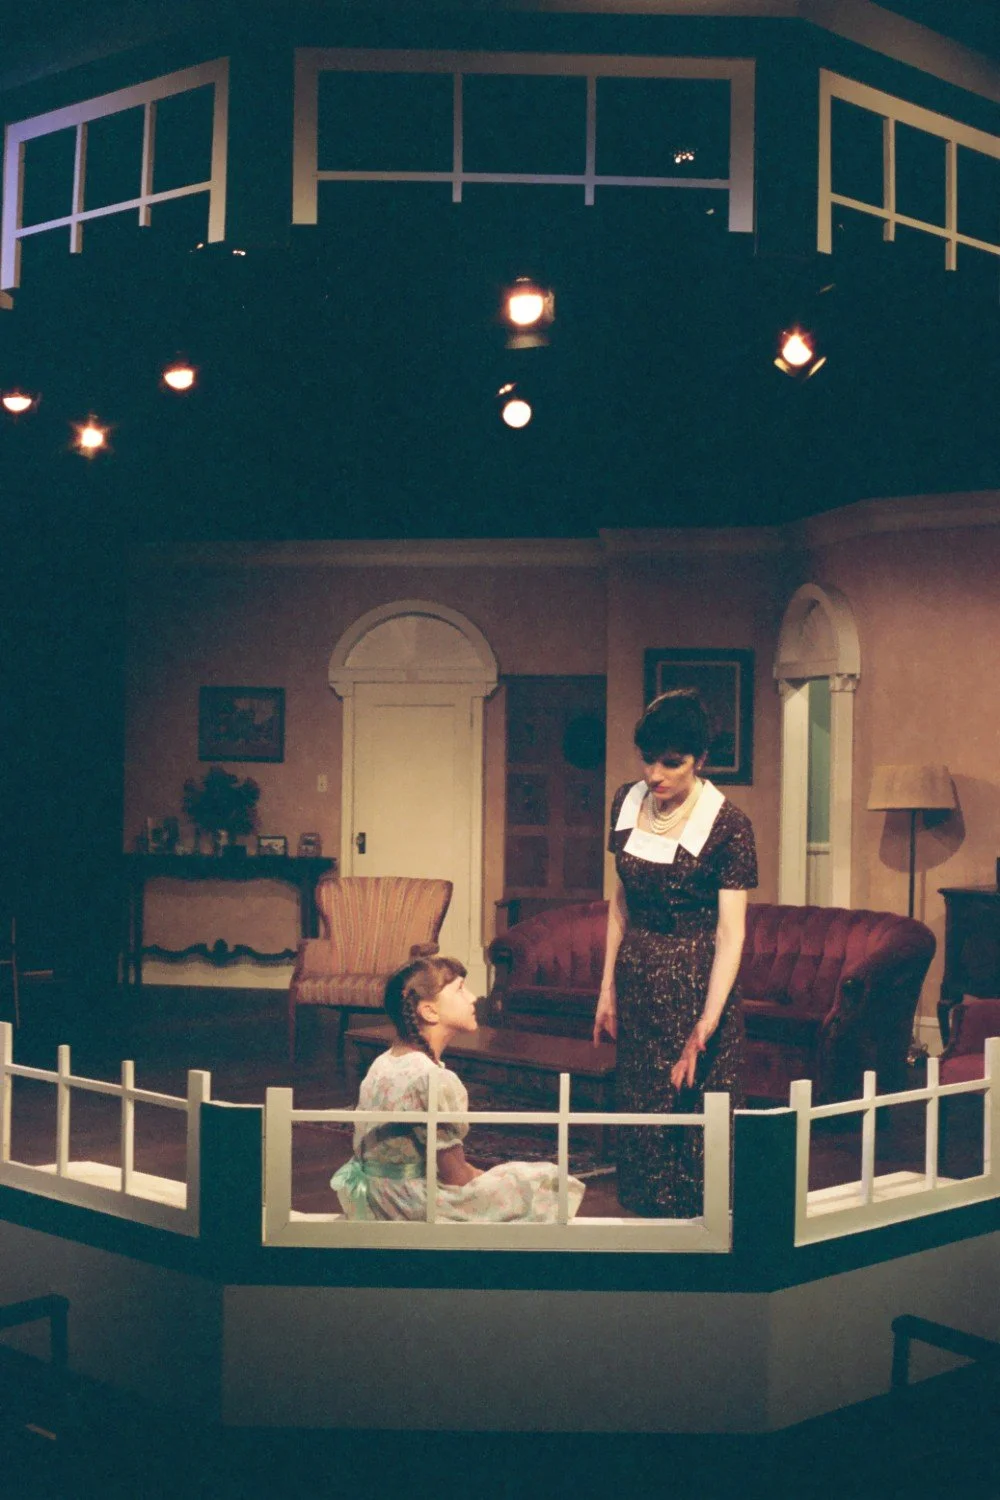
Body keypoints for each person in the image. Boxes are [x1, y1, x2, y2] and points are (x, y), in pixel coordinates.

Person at [593, 688, 758, 1217]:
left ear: (700, 760)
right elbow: (621, 901)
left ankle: (703, 1241)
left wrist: (705, 1027)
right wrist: (607, 989)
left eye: (672, 763)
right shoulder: (626, 801)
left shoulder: (730, 826)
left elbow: (732, 934)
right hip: (639, 979)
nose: (656, 775)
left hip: (696, 983)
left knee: (690, 1116)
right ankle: (644, 1232)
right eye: (649, 760)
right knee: (640, 1109)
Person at [332, 946, 586, 1222]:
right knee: (544, 1181)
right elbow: (455, 1176)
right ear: (429, 1011)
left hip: (376, 1195)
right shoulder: (432, 1079)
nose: (473, 998)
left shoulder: (384, 1062)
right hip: (410, 1204)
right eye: (460, 989)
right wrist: (487, 1178)